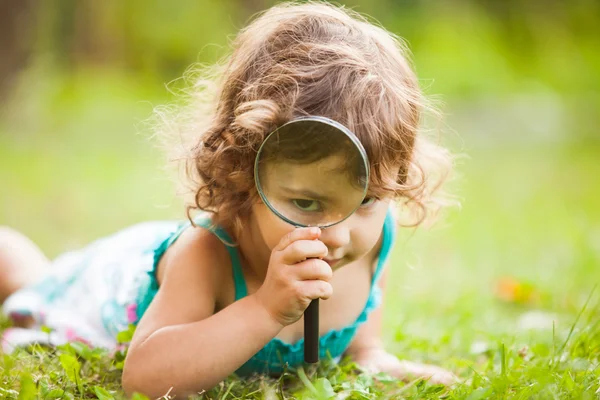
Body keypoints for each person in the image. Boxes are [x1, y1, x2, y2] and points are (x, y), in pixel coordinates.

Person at [0, 2, 457, 398]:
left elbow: (358, 344)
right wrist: (263, 310)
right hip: (113, 284)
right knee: (30, 282)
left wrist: (370, 357)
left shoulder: (376, 240)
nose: (337, 235)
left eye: (367, 199)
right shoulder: (208, 252)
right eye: (306, 203)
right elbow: (142, 380)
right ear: (242, 177)